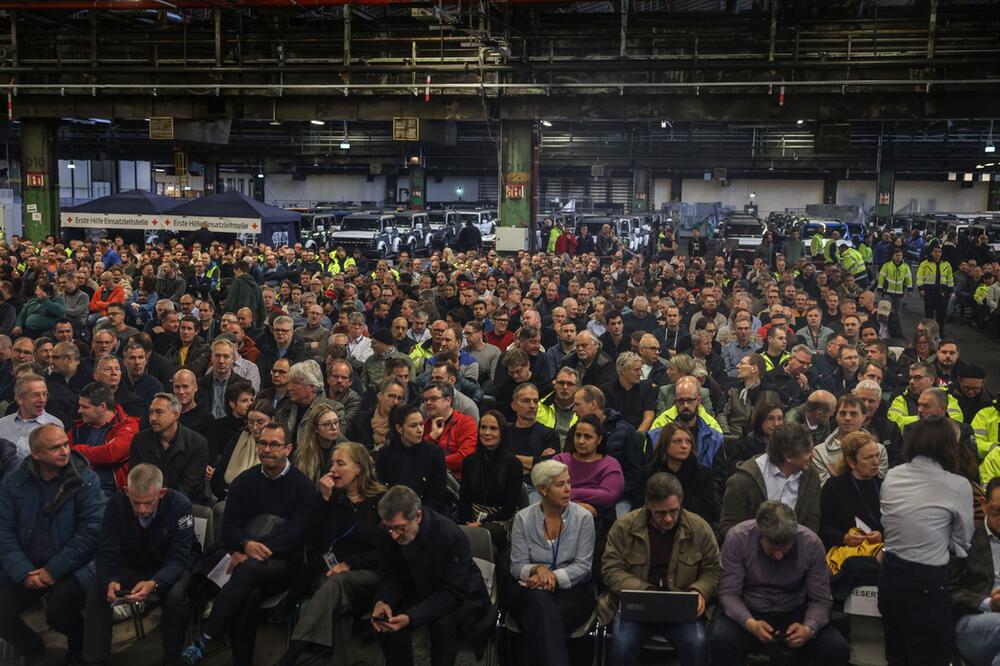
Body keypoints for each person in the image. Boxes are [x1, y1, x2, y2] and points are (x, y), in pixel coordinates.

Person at [182, 423, 316, 666]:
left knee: (247, 571)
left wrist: (254, 550)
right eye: (263, 443)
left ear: (288, 448)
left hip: (284, 565)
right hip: (245, 562)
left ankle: (207, 636)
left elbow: (298, 534)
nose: (267, 449)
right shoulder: (245, 481)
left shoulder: (303, 486)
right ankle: (241, 660)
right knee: (250, 593)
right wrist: (245, 544)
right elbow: (230, 527)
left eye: (275, 444)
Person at [0, 424, 106, 664]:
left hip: (75, 565)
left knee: (60, 611)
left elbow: (91, 533)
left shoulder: (85, 480)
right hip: (30, 563)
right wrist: (23, 571)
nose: (65, 451)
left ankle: (78, 645)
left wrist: (52, 570)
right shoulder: (14, 482)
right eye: (55, 447)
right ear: (36, 454)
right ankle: (32, 647)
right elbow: (3, 532)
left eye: (66, 445)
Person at [277, 443, 386, 666]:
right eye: (332, 463)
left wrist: (350, 564)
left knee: (337, 583)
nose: (333, 469)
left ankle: (291, 656)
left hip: (370, 575)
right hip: (330, 576)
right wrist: (323, 500)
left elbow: (388, 553)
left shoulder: (381, 502)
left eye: (340, 463)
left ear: (358, 468)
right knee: (338, 608)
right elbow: (312, 539)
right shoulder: (335, 499)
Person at [879, 416, 975, 666]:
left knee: (896, 656)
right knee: (932, 657)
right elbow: (963, 544)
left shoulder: (892, 476)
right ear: (949, 446)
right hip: (927, 583)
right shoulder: (957, 485)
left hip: (890, 577)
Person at [709, 501, 850, 666]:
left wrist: (808, 628)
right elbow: (729, 593)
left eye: (784, 549)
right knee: (720, 639)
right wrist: (749, 623)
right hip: (750, 610)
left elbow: (821, 599)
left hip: (795, 612)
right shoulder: (738, 538)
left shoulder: (811, 544)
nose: (779, 556)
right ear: (760, 535)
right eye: (772, 549)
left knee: (836, 647)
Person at [601, 472, 719, 666]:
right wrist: (645, 591)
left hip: (681, 607)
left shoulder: (699, 528)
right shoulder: (624, 527)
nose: (669, 519)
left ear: (681, 503)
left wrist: (699, 592)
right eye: (660, 513)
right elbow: (611, 569)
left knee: (697, 644)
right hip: (637, 607)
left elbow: (713, 570)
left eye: (674, 511)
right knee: (622, 645)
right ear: (648, 506)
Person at [83, 464, 195, 666]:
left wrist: (154, 582)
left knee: (176, 597)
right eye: (135, 503)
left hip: (170, 567)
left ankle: (172, 659)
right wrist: (110, 580)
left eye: (148, 503)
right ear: (127, 491)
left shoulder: (180, 505)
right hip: (134, 565)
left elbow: (179, 558)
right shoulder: (116, 504)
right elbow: (107, 551)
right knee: (98, 587)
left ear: (161, 493)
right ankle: (95, 658)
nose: (141, 509)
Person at [371, 485, 495, 666]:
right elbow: (390, 574)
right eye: (390, 528)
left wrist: (411, 617)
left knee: (443, 625)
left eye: (400, 528)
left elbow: (452, 592)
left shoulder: (450, 536)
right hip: (416, 586)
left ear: (418, 517)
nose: (394, 535)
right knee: (388, 622)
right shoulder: (389, 529)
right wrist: (383, 600)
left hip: (457, 594)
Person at [507, 459, 596, 666]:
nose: (568, 490)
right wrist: (538, 569)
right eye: (560, 485)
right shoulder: (523, 518)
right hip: (530, 590)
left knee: (538, 620)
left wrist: (552, 576)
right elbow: (516, 566)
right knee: (540, 603)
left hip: (572, 591)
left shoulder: (583, 518)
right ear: (542, 489)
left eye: (569, 483)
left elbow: (584, 566)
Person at [718, 422, 821, 538]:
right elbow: (729, 526)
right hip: (750, 551)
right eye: (807, 451)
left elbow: (812, 522)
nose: (813, 455)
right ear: (788, 456)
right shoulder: (742, 481)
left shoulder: (811, 477)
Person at [948, 476, 1000, 666]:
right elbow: (949, 589)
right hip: (973, 620)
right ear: (984, 505)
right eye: (997, 511)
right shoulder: (966, 537)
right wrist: (988, 603)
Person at [457, 410, 523, 551]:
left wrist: (481, 523)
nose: (487, 433)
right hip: (473, 514)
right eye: (483, 427)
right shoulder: (469, 461)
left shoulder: (513, 464)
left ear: (502, 432)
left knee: (482, 535)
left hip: (502, 518)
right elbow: (464, 499)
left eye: (493, 428)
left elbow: (509, 508)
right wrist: (467, 522)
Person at [128, 393, 209, 502]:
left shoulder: (197, 444)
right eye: (151, 412)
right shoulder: (139, 440)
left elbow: (187, 487)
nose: (153, 418)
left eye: (159, 412)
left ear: (175, 415)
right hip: (146, 502)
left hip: (184, 503)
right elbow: (136, 479)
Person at [67, 382, 140, 496]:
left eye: (85, 407)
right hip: (79, 490)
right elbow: (65, 453)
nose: (79, 411)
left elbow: (112, 453)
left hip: (115, 493)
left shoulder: (127, 425)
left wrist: (78, 450)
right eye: (80, 406)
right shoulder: (77, 428)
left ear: (102, 407)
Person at [637, 422, 718, 523]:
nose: (684, 446)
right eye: (677, 441)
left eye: (688, 441)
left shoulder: (703, 474)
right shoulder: (648, 473)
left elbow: (708, 511)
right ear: (665, 444)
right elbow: (639, 507)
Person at [376, 404, 449, 514]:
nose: (420, 430)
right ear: (399, 428)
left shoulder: (434, 453)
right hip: (393, 513)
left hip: (426, 514)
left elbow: (438, 494)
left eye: (421, 424)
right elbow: (381, 491)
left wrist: (418, 516)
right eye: (413, 426)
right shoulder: (385, 454)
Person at [819, 430, 884, 551]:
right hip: (845, 552)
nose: (875, 462)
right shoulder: (833, 487)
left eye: (877, 455)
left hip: (878, 550)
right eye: (868, 457)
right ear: (851, 462)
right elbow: (823, 526)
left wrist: (881, 535)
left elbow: (893, 524)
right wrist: (843, 537)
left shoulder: (882, 485)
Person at [553, 414, 625, 519]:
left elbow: (609, 495)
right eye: (578, 435)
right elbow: (550, 491)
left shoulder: (610, 465)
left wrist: (572, 493)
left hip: (599, 519)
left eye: (587, 437)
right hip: (560, 515)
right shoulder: (560, 461)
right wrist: (574, 506)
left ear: (599, 440)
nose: (581, 441)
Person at [209, 399, 273, 501]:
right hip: (230, 497)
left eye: (260, 422)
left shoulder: (278, 444)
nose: (255, 427)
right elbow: (217, 479)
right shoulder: (239, 437)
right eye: (250, 422)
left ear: (272, 420)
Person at [0, 372, 65, 462]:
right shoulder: (2, 424)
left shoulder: (55, 426)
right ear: (20, 399)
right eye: (36, 395)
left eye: (45, 394)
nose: (43, 400)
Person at [421, 380, 477, 478]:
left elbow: (465, 457)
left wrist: (434, 463)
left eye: (433, 398)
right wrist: (431, 436)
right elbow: (416, 455)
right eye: (426, 400)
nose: (428, 403)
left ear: (448, 400)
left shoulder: (466, 423)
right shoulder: (425, 424)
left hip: (456, 482)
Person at [293, 402, 343, 485]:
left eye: (336, 422)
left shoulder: (345, 449)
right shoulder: (302, 454)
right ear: (315, 428)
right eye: (327, 424)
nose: (334, 428)